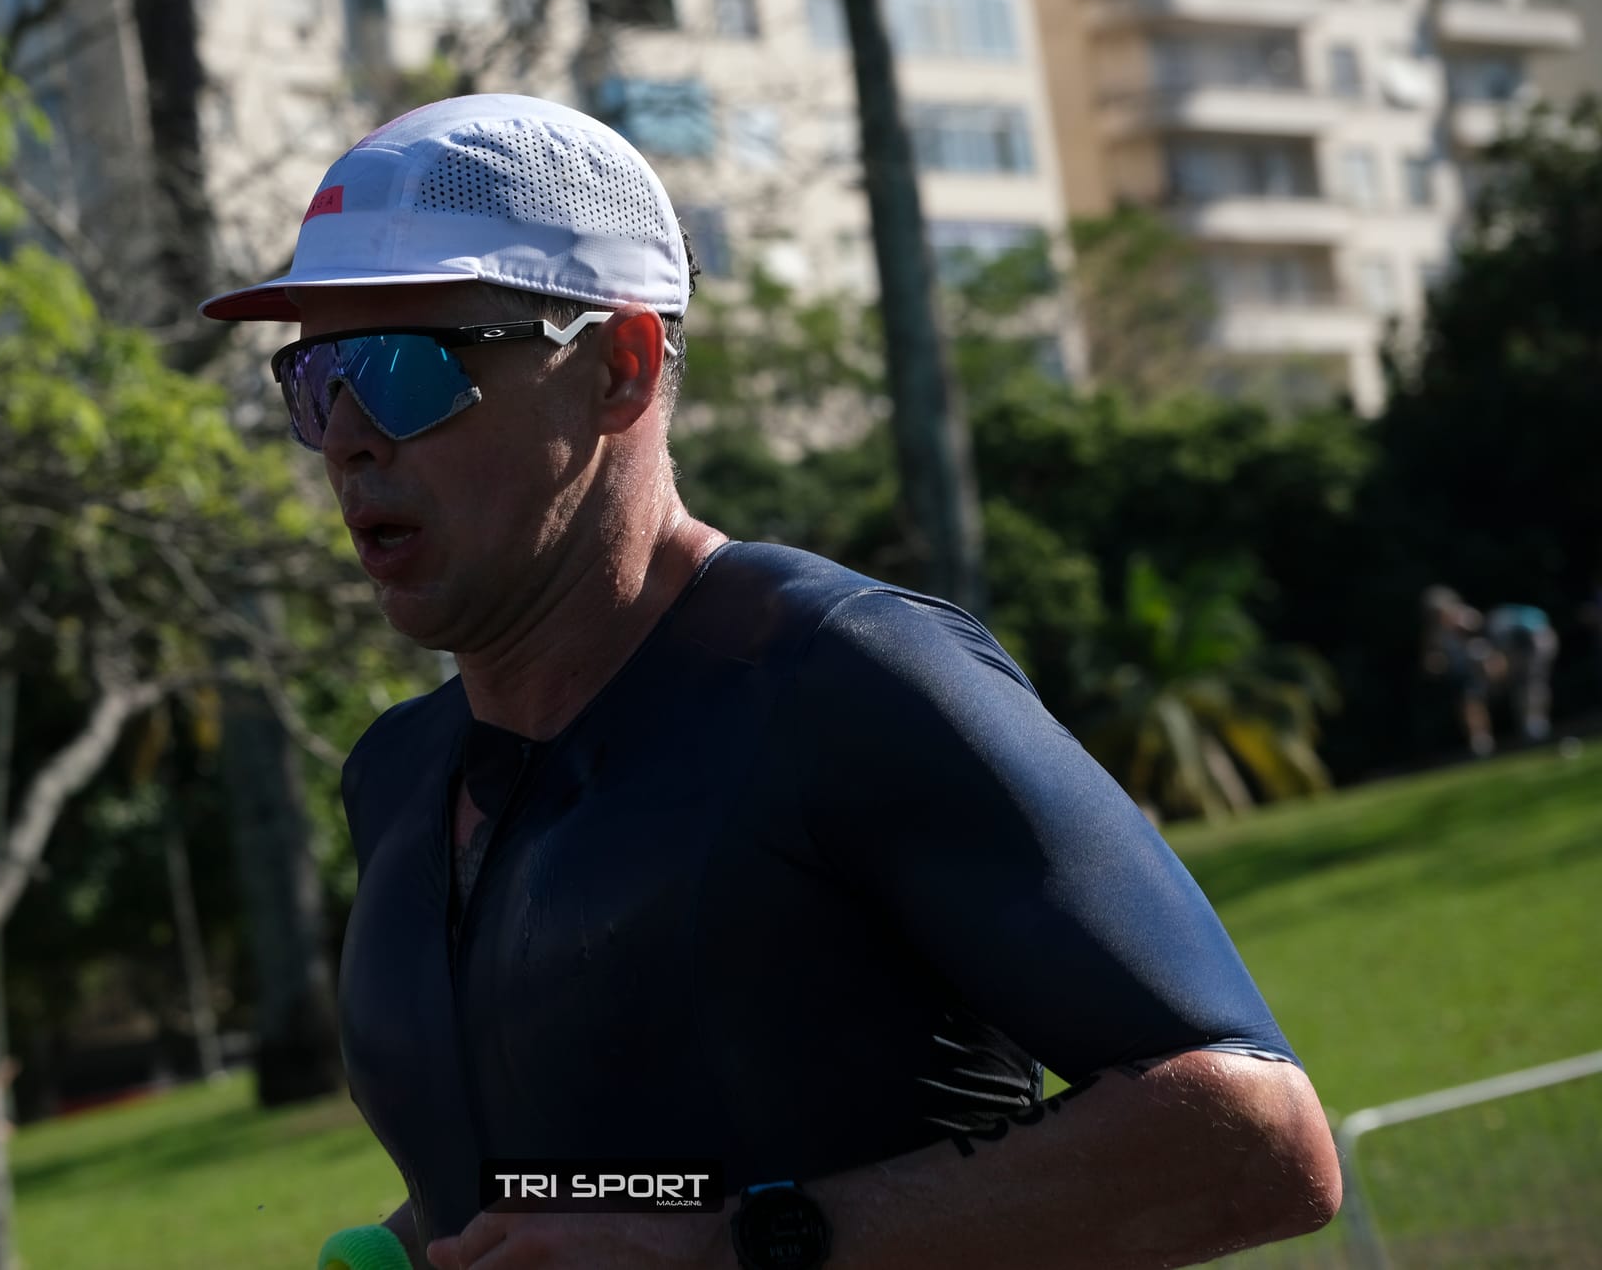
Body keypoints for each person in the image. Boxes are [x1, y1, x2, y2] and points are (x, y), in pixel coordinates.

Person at [203, 94, 1339, 1270]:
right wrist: (416, 1240)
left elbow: (1253, 1138)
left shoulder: (840, 676)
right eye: (314, 377)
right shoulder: (397, 774)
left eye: (403, 368)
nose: (346, 436)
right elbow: (596, 1169)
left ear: (618, 367)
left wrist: (736, 1250)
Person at [1422, 585, 1499, 757]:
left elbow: (1488, 638)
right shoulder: (1435, 633)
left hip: (1485, 665)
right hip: (1463, 674)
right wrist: (1436, 663)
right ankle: (1481, 740)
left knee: (1471, 698)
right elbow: (1431, 660)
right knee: (1468, 701)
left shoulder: (1466, 618)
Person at [1483, 603, 1557, 743]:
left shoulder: (1495, 627)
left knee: (1533, 684)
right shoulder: (1499, 622)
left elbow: (1525, 647)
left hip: (1538, 640)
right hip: (1536, 639)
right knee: (1528, 685)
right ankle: (1533, 724)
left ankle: (1536, 725)